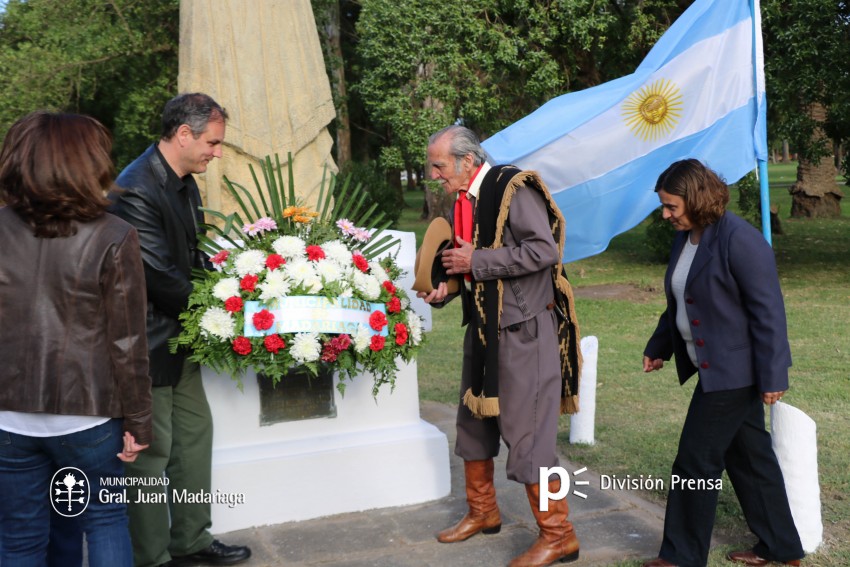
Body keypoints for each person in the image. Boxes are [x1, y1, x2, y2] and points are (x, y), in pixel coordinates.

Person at [417, 125, 580, 567]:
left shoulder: (513, 187)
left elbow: (543, 251)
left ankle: (559, 534)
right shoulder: (462, 199)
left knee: (531, 440)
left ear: (467, 161)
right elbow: (470, 266)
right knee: (473, 424)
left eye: (439, 165)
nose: (434, 174)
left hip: (525, 332)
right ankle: (483, 511)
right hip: (485, 328)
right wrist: (448, 287)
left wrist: (478, 261)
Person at [0, 111, 152, 566]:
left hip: (8, 420)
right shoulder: (115, 235)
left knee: (19, 538)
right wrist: (139, 421)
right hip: (87, 420)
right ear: (88, 162)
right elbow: (128, 343)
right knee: (104, 520)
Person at [111, 93, 251, 567]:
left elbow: (190, 259)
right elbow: (159, 279)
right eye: (213, 142)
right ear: (184, 134)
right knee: (152, 454)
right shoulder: (133, 190)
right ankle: (151, 557)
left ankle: (191, 541)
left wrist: (238, 287)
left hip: (183, 336)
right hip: (145, 343)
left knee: (194, 440)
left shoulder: (185, 181)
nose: (217, 151)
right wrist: (234, 312)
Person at [641, 159, 804, 567]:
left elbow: (768, 314)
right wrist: (660, 345)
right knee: (750, 459)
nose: (666, 215)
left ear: (695, 199)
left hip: (735, 373)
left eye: (671, 207)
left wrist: (773, 375)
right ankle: (781, 548)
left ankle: (681, 556)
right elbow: (680, 299)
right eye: (664, 206)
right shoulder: (685, 238)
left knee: (695, 460)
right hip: (715, 369)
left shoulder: (741, 240)